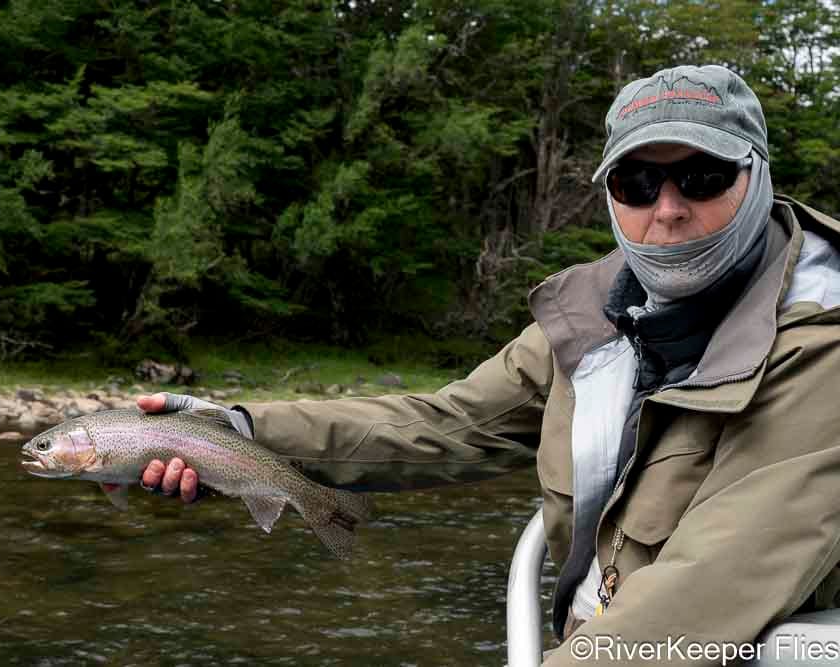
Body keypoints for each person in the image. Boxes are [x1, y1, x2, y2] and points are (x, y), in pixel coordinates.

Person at [138, 65, 840, 665]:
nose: (668, 208)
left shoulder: (822, 348)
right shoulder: (590, 319)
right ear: (609, 195)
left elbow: (710, 584)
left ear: (758, 176)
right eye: (636, 182)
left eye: (702, 176)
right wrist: (236, 431)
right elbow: (443, 424)